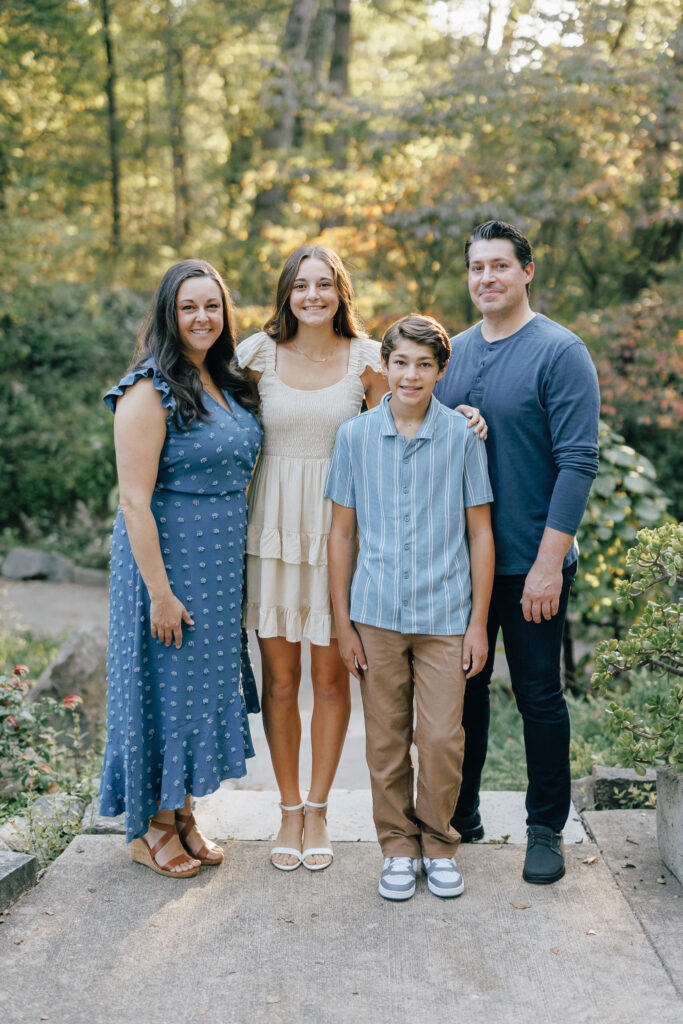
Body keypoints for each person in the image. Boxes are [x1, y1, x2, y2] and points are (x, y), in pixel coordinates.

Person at [235, 246, 486, 872]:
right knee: (282, 679)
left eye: (325, 284)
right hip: (273, 529)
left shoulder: (370, 358)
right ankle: (288, 808)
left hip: (345, 532)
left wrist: (466, 417)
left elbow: (409, 411)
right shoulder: (255, 355)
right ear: (286, 293)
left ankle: (320, 807)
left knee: (329, 677)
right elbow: (214, 416)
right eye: (301, 285)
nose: (312, 295)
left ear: (341, 292)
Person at [434, 220, 600, 884]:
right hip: (458, 569)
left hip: (531, 564)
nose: (486, 279)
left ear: (526, 271)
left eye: (498, 266)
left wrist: (545, 564)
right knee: (463, 698)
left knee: (537, 697)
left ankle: (543, 830)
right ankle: (462, 813)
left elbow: (577, 463)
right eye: (476, 268)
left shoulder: (560, 352)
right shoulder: (450, 352)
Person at [99, 259, 262, 878]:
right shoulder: (148, 389)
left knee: (196, 692)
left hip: (218, 566)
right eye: (189, 307)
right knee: (165, 689)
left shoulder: (227, 381)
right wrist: (160, 595)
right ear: (170, 314)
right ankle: (151, 829)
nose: (202, 317)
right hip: (166, 567)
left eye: (212, 306)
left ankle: (184, 813)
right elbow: (133, 502)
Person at [326, 314, 494, 900]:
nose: (412, 374)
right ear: (384, 367)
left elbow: (480, 533)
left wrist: (478, 624)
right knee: (385, 738)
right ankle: (397, 847)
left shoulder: (462, 438)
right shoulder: (354, 438)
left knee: (444, 739)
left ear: (442, 371)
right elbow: (341, 535)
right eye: (401, 362)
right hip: (375, 615)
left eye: (425, 364)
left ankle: (439, 842)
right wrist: (342, 623)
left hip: (446, 616)